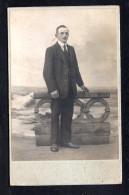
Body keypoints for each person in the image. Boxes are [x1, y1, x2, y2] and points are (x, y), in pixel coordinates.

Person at [43, 25, 89, 152]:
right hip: (57, 92)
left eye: (66, 33)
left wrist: (81, 84)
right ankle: (54, 143)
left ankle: (66, 141)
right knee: (55, 117)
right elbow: (47, 72)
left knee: (67, 117)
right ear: (56, 35)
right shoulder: (51, 50)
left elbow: (76, 70)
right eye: (62, 33)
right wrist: (52, 89)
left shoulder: (72, 50)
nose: (64, 36)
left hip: (70, 90)